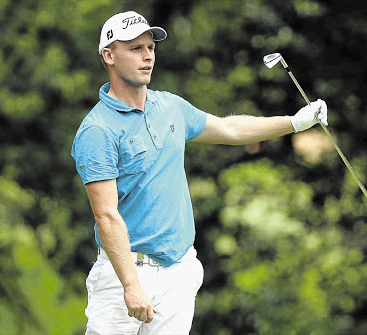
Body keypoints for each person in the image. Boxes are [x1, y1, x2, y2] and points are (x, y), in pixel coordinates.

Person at [71, 10, 328, 335]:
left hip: (178, 269)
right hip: (123, 275)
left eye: (150, 47)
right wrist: (130, 284)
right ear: (109, 55)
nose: (148, 56)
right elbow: (106, 215)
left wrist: (295, 122)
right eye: (136, 48)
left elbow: (229, 128)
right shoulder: (98, 130)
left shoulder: (170, 107)